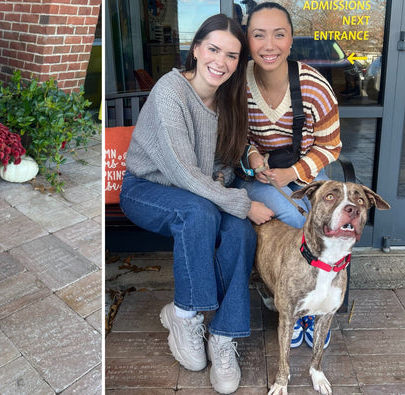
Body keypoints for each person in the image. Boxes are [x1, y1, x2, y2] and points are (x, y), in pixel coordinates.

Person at [119, 13, 274, 394]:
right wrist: (242, 203)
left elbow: (234, 149)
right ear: (196, 49)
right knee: (202, 211)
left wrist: (251, 156)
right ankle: (186, 315)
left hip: (203, 192)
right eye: (213, 49)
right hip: (148, 189)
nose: (221, 62)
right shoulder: (171, 91)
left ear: (240, 62)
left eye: (232, 56)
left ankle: (223, 334)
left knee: (239, 232)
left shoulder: (228, 99)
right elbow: (184, 173)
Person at [235, 2, 342, 350]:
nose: (269, 45)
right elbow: (233, 137)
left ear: (291, 40)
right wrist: (252, 155)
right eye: (258, 35)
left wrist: (293, 173)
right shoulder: (238, 84)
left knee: (325, 219)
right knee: (298, 219)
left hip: (305, 169)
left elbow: (331, 145)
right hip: (258, 175)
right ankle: (293, 304)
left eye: (279, 34)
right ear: (247, 40)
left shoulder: (314, 86)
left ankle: (316, 305)